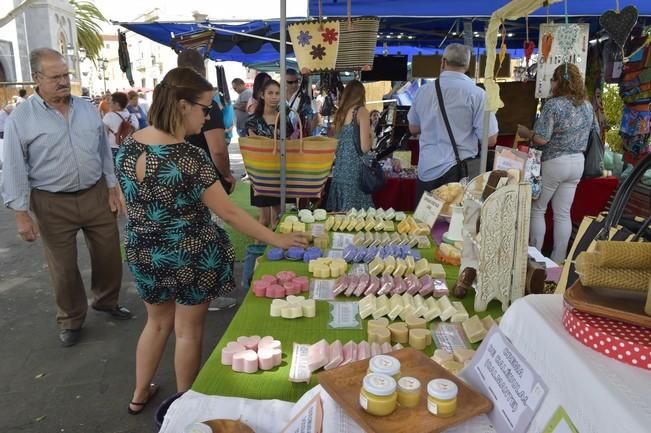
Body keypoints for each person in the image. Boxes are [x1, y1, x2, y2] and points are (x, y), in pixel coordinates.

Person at [113, 67, 308, 414]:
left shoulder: (129, 145)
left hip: (143, 251)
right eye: (205, 108)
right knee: (187, 331)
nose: (209, 116)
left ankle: (138, 393)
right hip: (190, 254)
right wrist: (277, 239)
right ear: (182, 105)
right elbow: (231, 214)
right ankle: (187, 405)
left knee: (156, 323)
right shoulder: (188, 156)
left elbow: (130, 203)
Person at [1, 48, 131, 348]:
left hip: (95, 193)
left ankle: (106, 300)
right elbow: (14, 164)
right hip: (51, 201)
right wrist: (20, 211)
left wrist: (112, 185)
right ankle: (71, 318)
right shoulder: (22, 116)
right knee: (63, 266)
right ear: (37, 78)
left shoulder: (86, 108)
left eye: (66, 75)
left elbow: (101, 150)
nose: (63, 81)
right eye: (55, 77)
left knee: (109, 254)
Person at [517, 63, 597, 264]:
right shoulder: (587, 105)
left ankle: (534, 260)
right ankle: (558, 261)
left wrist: (527, 133)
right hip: (578, 162)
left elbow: (542, 139)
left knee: (538, 209)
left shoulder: (553, 105)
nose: (551, 83)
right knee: (562, 213)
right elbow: (593, 131)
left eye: (553, 79)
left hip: (554, 161)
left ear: (558, 82)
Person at [408, 43, 498, 203]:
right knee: (454, 224)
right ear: (468, 65)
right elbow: (489, 140)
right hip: (458, 172)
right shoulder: (478, 95)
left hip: (426, 170)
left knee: (424, 223)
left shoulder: (423, 91)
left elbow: (413, 128)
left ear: (443, 62)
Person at [246, 80, 292, 228]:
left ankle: (276, 249)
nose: (274, 96)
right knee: (264, 219)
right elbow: (253, 150)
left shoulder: (284, 120)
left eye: (277, 93)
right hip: (261, 173)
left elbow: (290, 144)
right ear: (262, 95)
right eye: (270, 93)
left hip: (280, 171)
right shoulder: (253, 121)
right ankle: (258, 250)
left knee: (278, 217)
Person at [325, 80, 374, 211]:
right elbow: (365, 148)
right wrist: (371, 135)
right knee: (355, 219)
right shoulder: (361, 111)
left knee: (339, 217)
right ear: (361, 95)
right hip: (355, 173)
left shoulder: (340, 113)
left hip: (340, 171)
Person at [103, 91, 140, 157]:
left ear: (117, 104)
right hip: (129, 149)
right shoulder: (132, 117)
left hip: (114, 149)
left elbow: (104, 135)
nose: (109, 103)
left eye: (111, 102)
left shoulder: (108, 117)